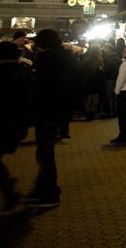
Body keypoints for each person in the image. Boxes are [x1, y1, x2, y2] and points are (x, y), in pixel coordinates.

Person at [27, 29, 78, 208]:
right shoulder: (67, 58)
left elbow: (42, 87)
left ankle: (50, 191)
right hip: (59, 111)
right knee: (44, 151)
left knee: (45, 152)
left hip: (47, 110)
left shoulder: (48, 60)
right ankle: (42, 187)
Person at [0, 40, 33, 211]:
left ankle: (8, 186)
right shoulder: (24, 72)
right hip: (15, 125)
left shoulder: (4, 74)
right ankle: (8, 187)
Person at [100, 43, 121, 119]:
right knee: (115, 96)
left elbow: (107, 70)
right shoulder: (117, 58)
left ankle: (108, 112)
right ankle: (115, 112)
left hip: (110, 79)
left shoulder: (108, 60)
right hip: (116, 78)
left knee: (108, 96)